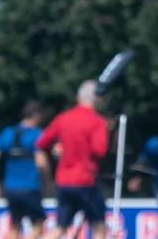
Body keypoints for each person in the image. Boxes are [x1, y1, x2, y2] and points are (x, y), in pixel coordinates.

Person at [36, 80, 109, 239]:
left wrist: (58, 147)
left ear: (78, 97)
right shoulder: (97, 122)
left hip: (63, 181)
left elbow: (42, 142)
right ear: (96, 98)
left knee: (60, 228)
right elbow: (100, 150)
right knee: (98, 227)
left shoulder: (63, 118)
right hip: (86, 181)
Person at [0, 101, 51, 239]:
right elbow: (41, 163)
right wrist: (47, 181)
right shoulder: (37, 135)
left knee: (15, 226)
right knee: (39, 225)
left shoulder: (7, 133)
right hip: (30, 187)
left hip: (10, 188)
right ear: (37, 116)